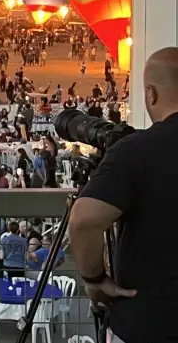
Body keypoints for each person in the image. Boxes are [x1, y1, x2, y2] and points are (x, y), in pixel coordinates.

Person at [69, 47, 178, 343]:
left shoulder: (138, 150)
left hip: (149, 322)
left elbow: (83, 221)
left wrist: (95, 279)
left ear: (150, 94)